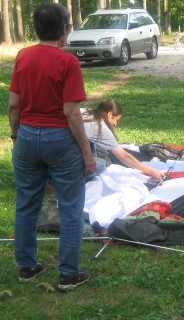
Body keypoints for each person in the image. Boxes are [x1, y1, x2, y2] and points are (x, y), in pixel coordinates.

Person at [8, 3, 95, 291]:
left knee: (26, 205)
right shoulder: (67, 62)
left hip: (27, 135)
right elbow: (71, 112)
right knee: (70, 208)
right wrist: (85, 152)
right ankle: (68, 273)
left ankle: (27, 267)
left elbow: (14, 104)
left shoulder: (23, 56)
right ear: (64, 29)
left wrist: (15, 135)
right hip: (59, 139)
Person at [83, 99, 164, 180]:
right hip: (72, 161)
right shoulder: (100, 128)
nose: (115, 124)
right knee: (102, 164)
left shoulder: (85, 111)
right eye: (116, 120)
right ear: (110, 114)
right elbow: (124, 156)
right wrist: (150, 171)